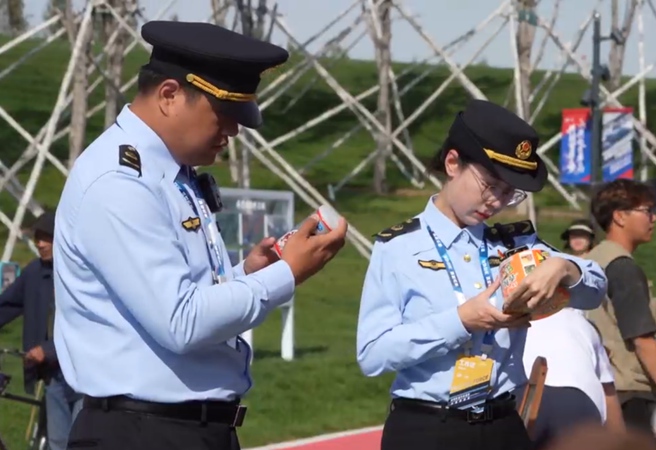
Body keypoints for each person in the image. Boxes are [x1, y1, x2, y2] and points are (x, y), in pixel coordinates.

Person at [52, 21, 348, 450]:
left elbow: (181, 290)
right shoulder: (120, 182)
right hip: (142, 433)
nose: (233, 132)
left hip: (182, 429)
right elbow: (182, 322)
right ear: (170, 96)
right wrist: (288, 276)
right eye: (223, 115)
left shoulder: (171, 174)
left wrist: (247, 271)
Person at [356, 99, 607, 450]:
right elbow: (373, 353)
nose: (497, 202)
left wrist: (567, 268)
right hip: (427, 428)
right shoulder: (397, 248)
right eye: (490, 185)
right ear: (453, 163)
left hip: (502, 423)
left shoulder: (517, 244)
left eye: (510, 193)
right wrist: (461, 321)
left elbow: (595, 288)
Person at [584, 179, 656, 436]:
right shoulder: (623, 267)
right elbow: (642, 339)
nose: (654, 219)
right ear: (620, 217)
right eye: (647, 211)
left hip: (600, 387)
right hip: (631, 392)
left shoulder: (592, 261)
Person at [0, 212, 82, 450]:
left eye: (47, 237)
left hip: (84, 377)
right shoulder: (34, 272)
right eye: (37, 237)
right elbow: (7, 306)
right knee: (58, 442)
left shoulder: (80, 273)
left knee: (80, 440)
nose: (40, 243)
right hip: (53, 376)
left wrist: (47, 350)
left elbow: (86, 326)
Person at [523, 307, 625, 450]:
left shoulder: (502, 326)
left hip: (530, 407)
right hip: (580, 411)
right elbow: (609, 394)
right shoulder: (582, 324)